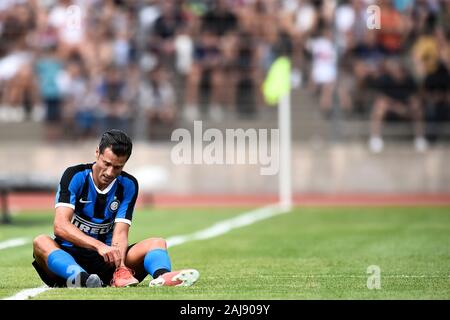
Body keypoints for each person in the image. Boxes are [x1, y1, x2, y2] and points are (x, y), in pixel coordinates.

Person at [32, 129, 199, 288]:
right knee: (41, 242)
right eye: (106, 163)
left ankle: (162, 277)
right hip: (67, 260)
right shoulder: (74, 176)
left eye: (118, 167)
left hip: (107, 262)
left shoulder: (128, 185)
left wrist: (120, 267)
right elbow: (60, 226)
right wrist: (98, 246)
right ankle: (82, 279)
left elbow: (120, 232)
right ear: (97, 153)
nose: (110, 172)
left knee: (157, 242)